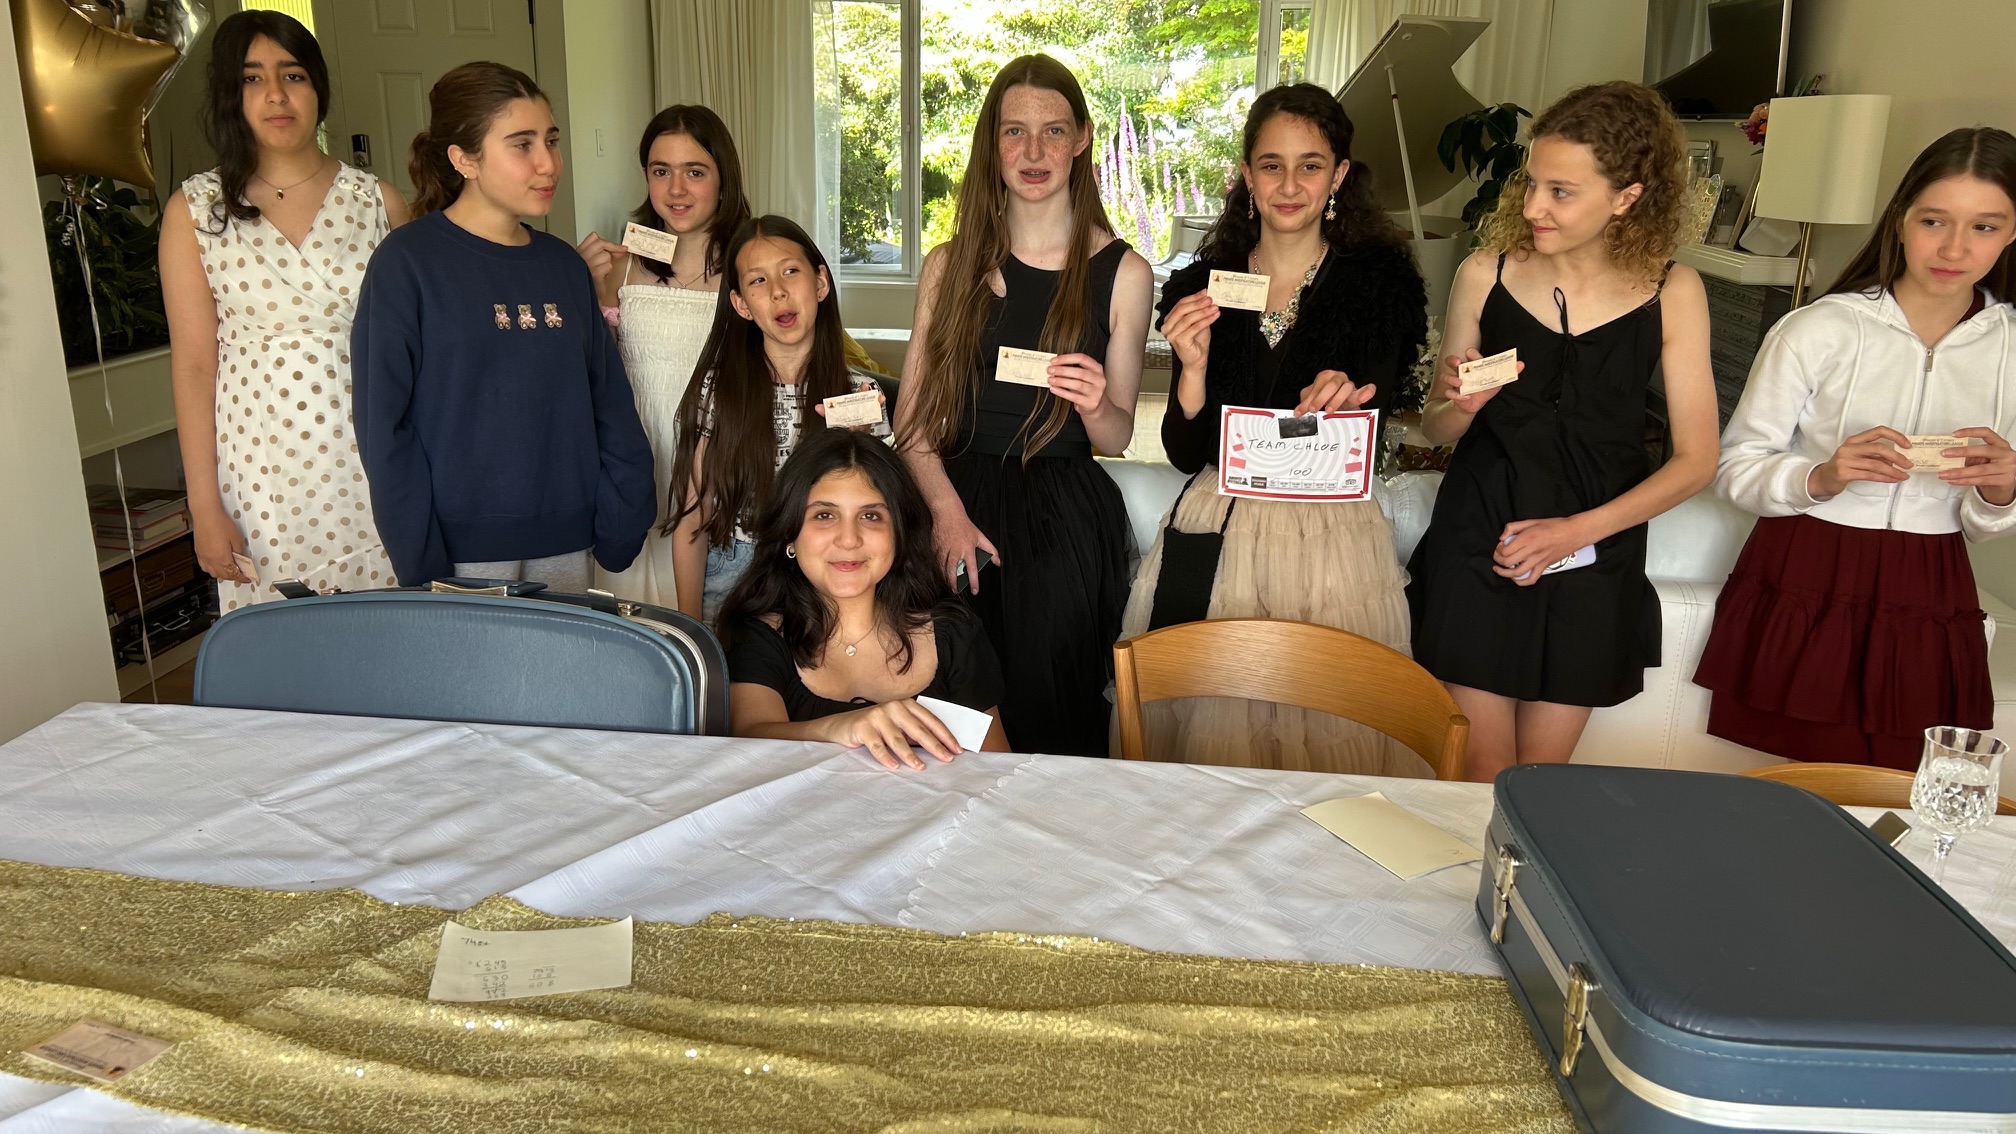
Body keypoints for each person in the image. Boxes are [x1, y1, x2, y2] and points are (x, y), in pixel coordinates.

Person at [1406, 81, 1717, 782]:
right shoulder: (1484, 272)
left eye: (1562, 192)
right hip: (1480, 537)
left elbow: (1698, 461)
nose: (1532, 207)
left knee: (1540, 783)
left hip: (1595, 550)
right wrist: (1461, 406)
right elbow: (1436, 427)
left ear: (1627, 197)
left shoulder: (1674, 291)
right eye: (1531, 183)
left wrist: (1576, 532)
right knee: (1484, 773)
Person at [1117, 83, 1428, 774]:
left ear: (1338, 175)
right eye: (1271, 165)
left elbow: (1369, 431)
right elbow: (1184, 453)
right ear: (1247, 176)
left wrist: (1351, 401)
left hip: (1329, 538)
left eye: (1310, 165)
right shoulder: (1200, 286)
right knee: (1210, 739)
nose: (1290, 185)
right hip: (1217, 528)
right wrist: (1193, 368)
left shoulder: (1379, 286)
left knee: (1328, 740)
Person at [1696, 127, 2016, 769]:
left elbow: (1984, 528)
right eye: (1934, 221)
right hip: (1809, 566)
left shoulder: (2010, 346)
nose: (1954, 248)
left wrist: (2001, 489)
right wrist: (1820, 477)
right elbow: (1733, 468)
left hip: (1929, 580)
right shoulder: (1818, 329)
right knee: (1787, 781)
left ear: (2011, 235)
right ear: (1900, 219)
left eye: (1985, 227)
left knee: (1900, 784)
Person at [895, 54, 1153, 758]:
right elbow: (911, 422)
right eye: (1015, 131)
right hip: (957, 501)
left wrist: (1095, 405)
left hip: (1062, 519)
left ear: (1082, 139)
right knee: (949, 722)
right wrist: (946, 513)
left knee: (1052, 716)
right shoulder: (948, 265)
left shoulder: (1125, 273)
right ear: (993, 143)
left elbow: (1116, 437)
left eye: (1053, 131)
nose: (1033, 151)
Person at [352, 62, 654, 589]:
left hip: (568, 545)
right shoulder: (406, 263)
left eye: (551, 141)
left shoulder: (563, 266)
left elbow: (609, 402)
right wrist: (421, 560)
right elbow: (384, 428)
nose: (548, 163)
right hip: (460, 558)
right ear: (464, 159)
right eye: (522, 144)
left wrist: (623, 517)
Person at [160, 10, 406, 610]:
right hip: (260, 472)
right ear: (230, 94)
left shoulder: (378, 202)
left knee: (391, 634)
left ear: (318, 86)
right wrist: (203, 506)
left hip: (374, 461)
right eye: (252, 78)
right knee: (283, 645)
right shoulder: (196, 210)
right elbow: (194, 365)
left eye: (292, 74)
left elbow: (418, 352)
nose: (275, 94)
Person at [723, 428, 1009, 768]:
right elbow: (749, 739)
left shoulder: (955, 634)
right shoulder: (757, 637)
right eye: (824, 515)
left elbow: (1000, 771)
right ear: (790, 532)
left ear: (899, 533)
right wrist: (841, 727)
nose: (849, 539)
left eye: (871, 516)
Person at [668, 216, 891, 621]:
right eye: (758, 280)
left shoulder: (859, 394)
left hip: (826, 571)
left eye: (790, 271)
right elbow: (693, 517)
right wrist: (690, 628)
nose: (778, 291)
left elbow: (883, 513)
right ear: (741, 304)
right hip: (734, 573)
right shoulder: (719, 389)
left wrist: (857, 449)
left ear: (820, 283)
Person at [574, 105, 753, 606]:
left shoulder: (749, 265)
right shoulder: (621, 264)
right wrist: (583, 288)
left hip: (716, 460)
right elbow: (595, 372)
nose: (676, 190)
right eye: (660, 171)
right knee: (632, 615)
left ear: (723, 177)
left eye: (695, 172)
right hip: (634, 457)